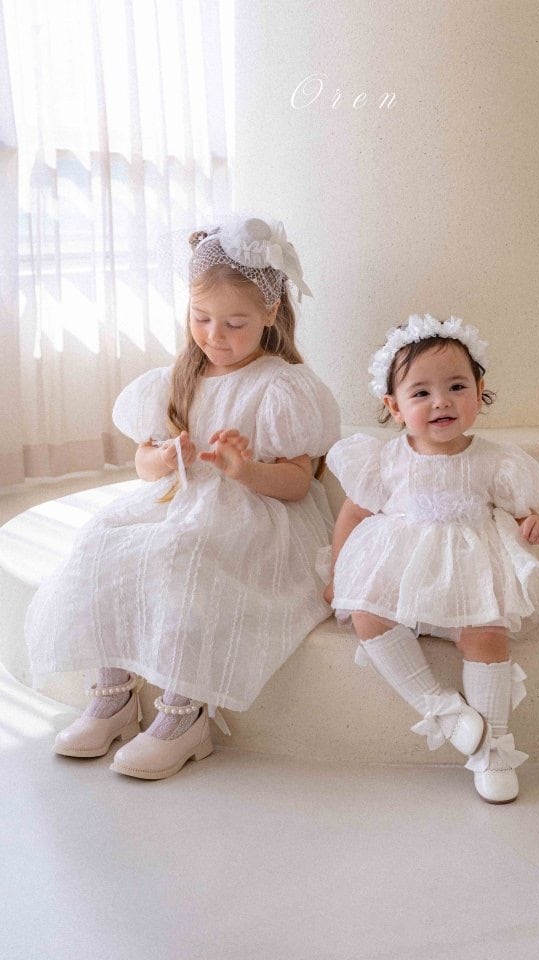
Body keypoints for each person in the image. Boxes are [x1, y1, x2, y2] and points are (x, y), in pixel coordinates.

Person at [26, 214, 340, 780]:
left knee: (187, 551)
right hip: (183, 497)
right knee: (105, 538)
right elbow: (144, 463)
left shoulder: (281, 385)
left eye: (234, 323)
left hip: (254, 510)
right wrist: (167, 456)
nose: (215, 336)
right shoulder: (178, 377)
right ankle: (113, 696)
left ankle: (183, 714)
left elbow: (299, 481)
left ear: (270, 314)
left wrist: (244, 470)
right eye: (201, 318)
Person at [323, 314, 539, 803]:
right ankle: (440, 707)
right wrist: (339, 571)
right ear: (394, 406)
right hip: (401, 574)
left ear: (479, 392)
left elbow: (521, 510)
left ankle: (492, 747)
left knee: (486, 635)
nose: (441, 401)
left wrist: (534, 522)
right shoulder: (387, 459)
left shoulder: (493, 459)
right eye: (421, 392)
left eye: (456, 387)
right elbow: (354, 513)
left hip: (467, 575)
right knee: (366, 615)